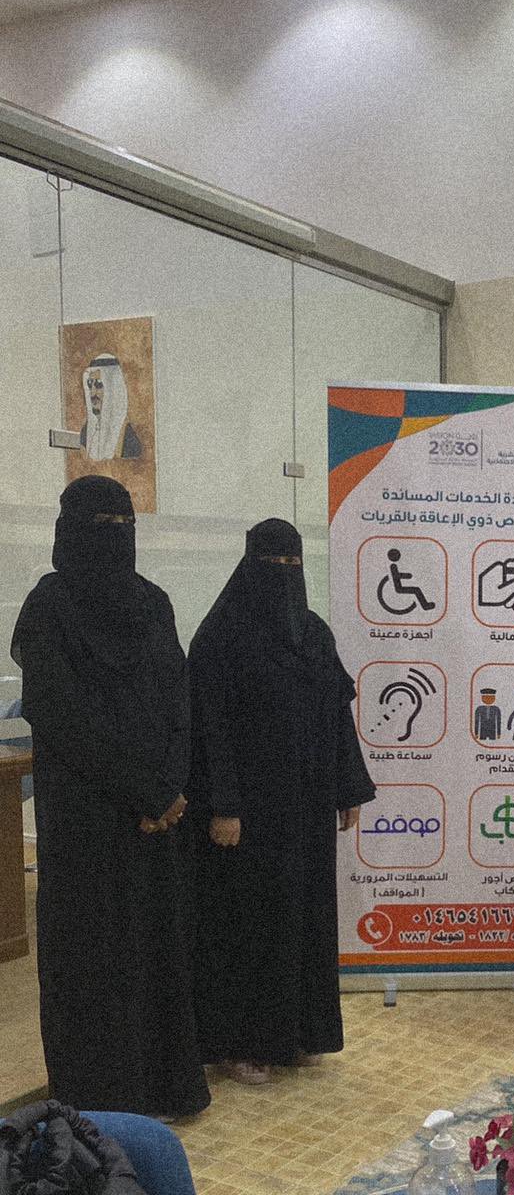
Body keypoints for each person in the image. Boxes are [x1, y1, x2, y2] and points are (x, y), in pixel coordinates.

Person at [10, 476, 209, 1119]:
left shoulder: (149, 603)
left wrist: (167, 789)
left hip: (144, 817)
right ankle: (106, 1096)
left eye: (124, 524)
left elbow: (178, 702)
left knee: (148, 951)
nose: (115, 538)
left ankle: (154, 1088)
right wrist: (151, 792)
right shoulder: (51, 607)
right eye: (103, 526)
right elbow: (63, 716)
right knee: (95, 956)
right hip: (94, 820)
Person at [187, 519, 376, 1084]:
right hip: (249, 814)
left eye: (294, 564)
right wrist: (224, 805)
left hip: (307, 807)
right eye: (275, 564)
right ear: (250, 566)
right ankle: (242, 1045)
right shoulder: (219, 638)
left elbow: (336, 716)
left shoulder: (313, 633)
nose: (285, 575)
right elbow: (208, 731)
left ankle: (297, 1034)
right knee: (250, 924)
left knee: (305, 918)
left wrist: (347, 789)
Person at [79, 354, 142, 460]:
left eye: (99, 385)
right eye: (90, 385)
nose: (92, 393)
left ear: (113, 390)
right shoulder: (85, 432)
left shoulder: (127, 435)